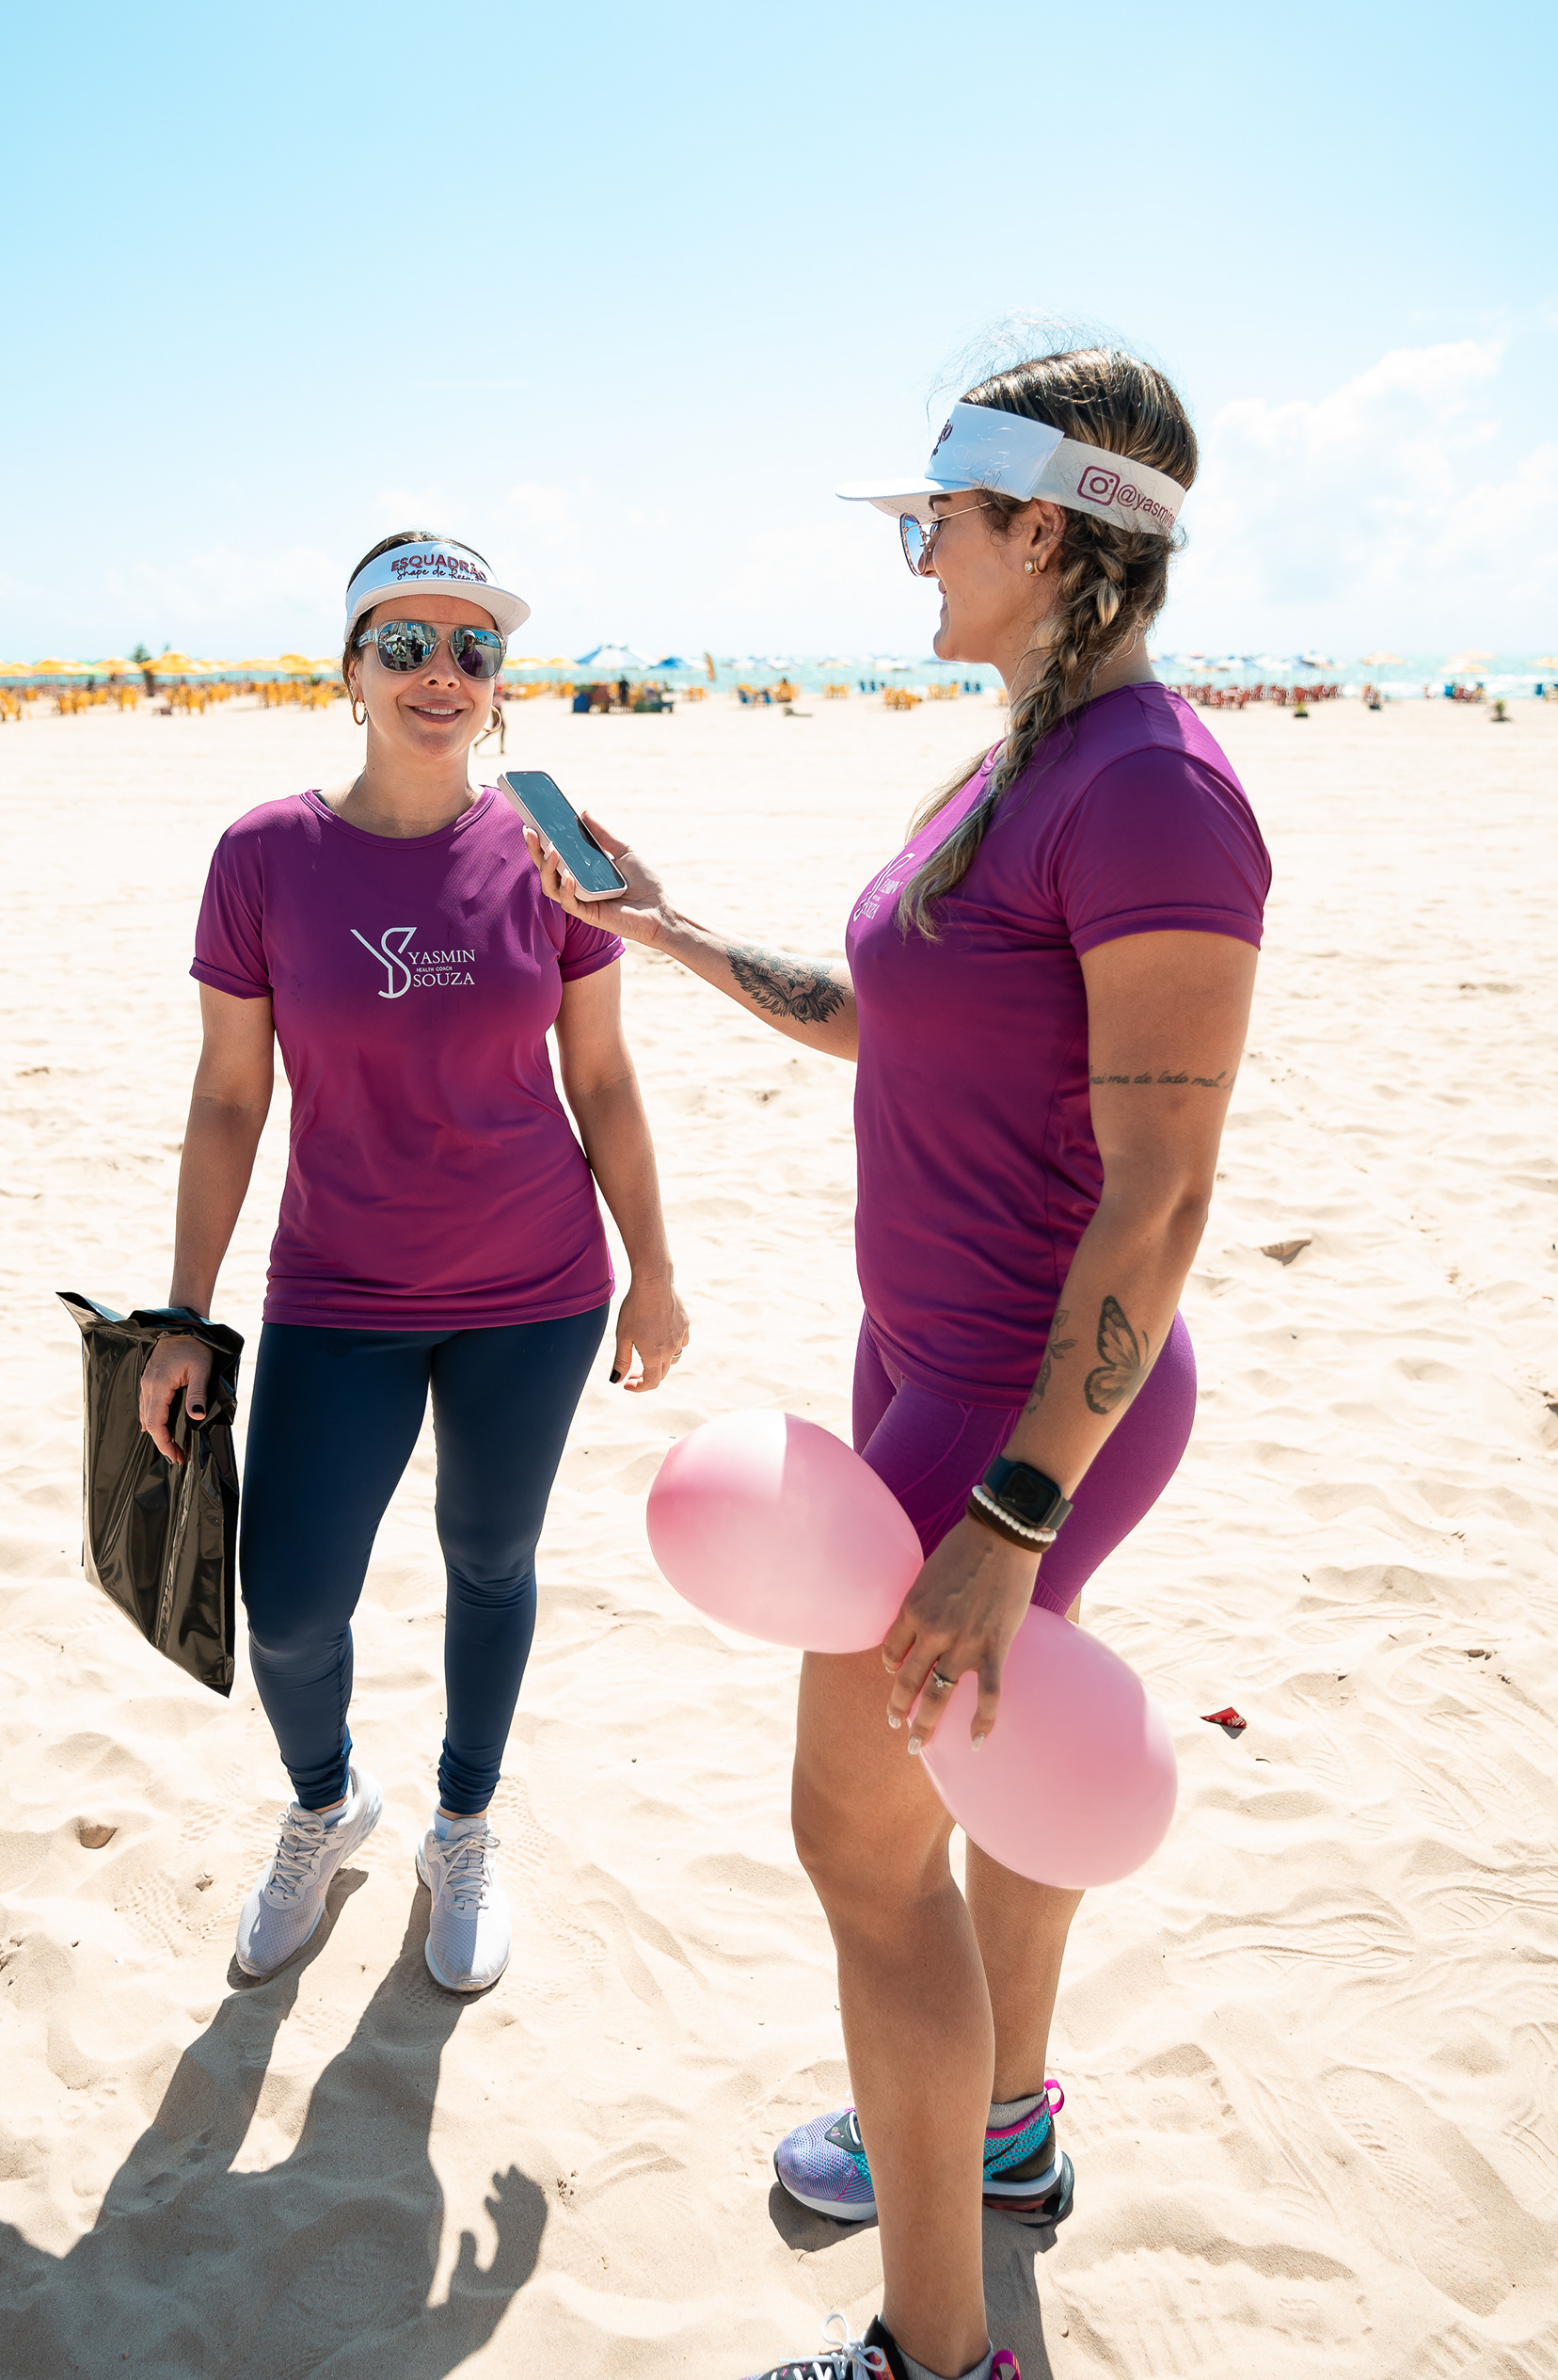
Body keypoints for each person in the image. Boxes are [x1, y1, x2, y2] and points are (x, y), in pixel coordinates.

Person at [525, 345, 1268, 2380]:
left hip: (1022, 1405)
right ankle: (996, 2125)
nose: (918, 559)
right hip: (931, 1370)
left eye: (937, 522)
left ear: (1049, 532)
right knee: (994, 1774)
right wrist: (665, 930)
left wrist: (1009, 1515)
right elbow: (894, 1020)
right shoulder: (1020, 766)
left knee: (864, 1857)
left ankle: (939, 2357)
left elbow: (1165, 1198)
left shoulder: (1153, 792)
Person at [139, 531, 689, 1998]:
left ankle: (463, 1825)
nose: (441, 673)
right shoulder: (264, 856)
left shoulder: (553, 852)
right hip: (338, 1293)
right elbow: (230, 1098)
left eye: (472, 649)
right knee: (288, 1606)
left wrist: (654, 1267)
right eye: (406, 644)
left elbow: (603, 1079)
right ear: (351, 669)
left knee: (489, 1560)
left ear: (498, 681)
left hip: (536, 1290)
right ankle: (327, 1803)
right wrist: (183, 1316)